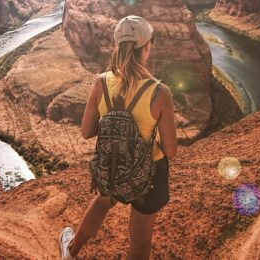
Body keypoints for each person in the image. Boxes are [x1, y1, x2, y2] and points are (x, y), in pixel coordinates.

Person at [59, 15, 178, 260]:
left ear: (118, 46)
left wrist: (116, 128)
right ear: (147, 47)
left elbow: (86, 132)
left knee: (102, 202)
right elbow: (171, 150)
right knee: (140, 239)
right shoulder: (159, 91)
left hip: (111, 166)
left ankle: (71, 252)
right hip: (149, 174)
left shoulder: (101, 82)